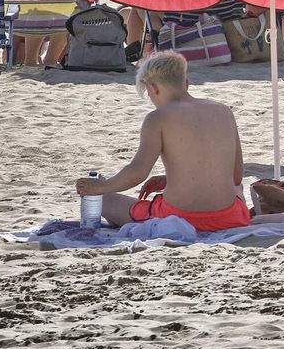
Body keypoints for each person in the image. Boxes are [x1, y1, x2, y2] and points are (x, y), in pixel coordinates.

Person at [74, 52, 251, 231]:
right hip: (228, 217)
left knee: (103, 200)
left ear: (153, 89)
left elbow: (137, 173)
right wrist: (175, 179)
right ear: (186, 84)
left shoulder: (157, 118)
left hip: (178, 218)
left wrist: (102, 187)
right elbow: (235, 177)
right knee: (236, 193)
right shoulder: (224, 111)